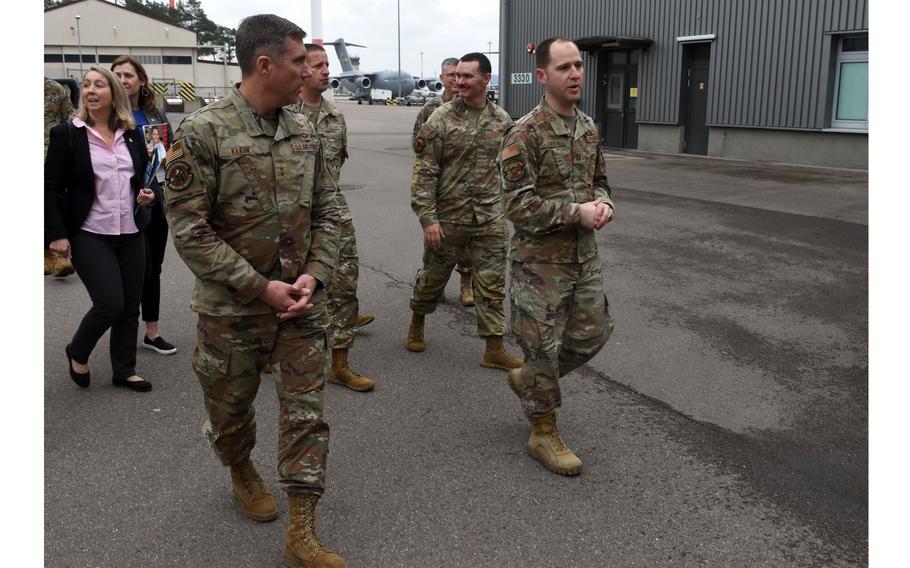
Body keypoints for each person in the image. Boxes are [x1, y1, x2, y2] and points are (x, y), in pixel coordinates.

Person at [163, 15, 345, 568]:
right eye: (298, 62)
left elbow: (331, 210)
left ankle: (302, 528)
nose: (308, 73)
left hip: (301, 306)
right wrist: (258, 286)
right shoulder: (203, 132)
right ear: (265, 64)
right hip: (233, 310)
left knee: (306, 413)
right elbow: (189, 230)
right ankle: (239, 463)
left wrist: (315, 271)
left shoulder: (305, 129)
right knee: (230, 410)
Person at [499, 37, 615, 476]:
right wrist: (575, 212)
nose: (575, 74)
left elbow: (599, 179)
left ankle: (529, 381)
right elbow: (516, 205)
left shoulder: (587, 126)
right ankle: (543, 431)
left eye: (579, 66)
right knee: (543, 351)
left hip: (583, 258)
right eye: (564, 67)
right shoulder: (524, 132)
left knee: (593, 333)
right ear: (542, 76)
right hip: (539, 264)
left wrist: (603, 203)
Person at [407, 52, 523, 372]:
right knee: (433, 278)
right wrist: (428, 218)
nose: (459, 81)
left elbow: (512, 169)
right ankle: (417, 320)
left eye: (467, 76)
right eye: (456, 76)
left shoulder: (502, 120)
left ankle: (494, 347)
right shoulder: (440, 119)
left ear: (486, 79)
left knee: (492, 283)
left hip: (489, 217)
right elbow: (425, 171)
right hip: (449, 217)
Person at [45, 66, 156, 392]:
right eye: (87, 85)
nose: (91, 90)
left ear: (114, 95)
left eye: (99, 85)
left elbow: (145, 178)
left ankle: (124, 370)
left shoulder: (133, 133)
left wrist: (148, 196)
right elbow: (51, 186)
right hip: (90, 233)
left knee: (129, 306)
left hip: (131, 230)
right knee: (110, 302)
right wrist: (57, 233)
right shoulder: (68, 133)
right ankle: (77, 349)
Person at [293, 43, 375, 392]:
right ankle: (279, 355)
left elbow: (336, 167)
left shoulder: (334, 115)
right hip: (291, 217)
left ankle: (339, 363)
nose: (326, 70)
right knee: (290, 286)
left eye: (327, 64)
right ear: (301, 70)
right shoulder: (282, 113)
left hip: (333, 212)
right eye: (318, 64)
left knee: (344, 284)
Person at [112, 55, 177, 356]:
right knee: (132, 269)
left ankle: (152, 332)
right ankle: (124, 331)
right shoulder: (107, 116)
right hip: (120, 202)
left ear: (141, 80)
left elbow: (172, 151)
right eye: (118, 75)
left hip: (155, 198)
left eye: (128, 75)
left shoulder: (154, 114)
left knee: (154, 268)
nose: (123, 80)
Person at [411, 57, 475, 307]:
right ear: (442, 78)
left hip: (467, 189)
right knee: (436, 242)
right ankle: (433, 284)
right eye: (449, 75)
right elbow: (419, 145)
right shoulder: (430, 109)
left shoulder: (472, 105)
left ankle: (466, 283)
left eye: (457, 74)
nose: (454, 80)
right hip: (438, 187)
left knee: (466, 244)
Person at [44, 77, 76, 278]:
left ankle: (57, 254)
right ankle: (52, 255)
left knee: (52, 201)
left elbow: (70, 116)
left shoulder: (53, 89)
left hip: (52, 155)